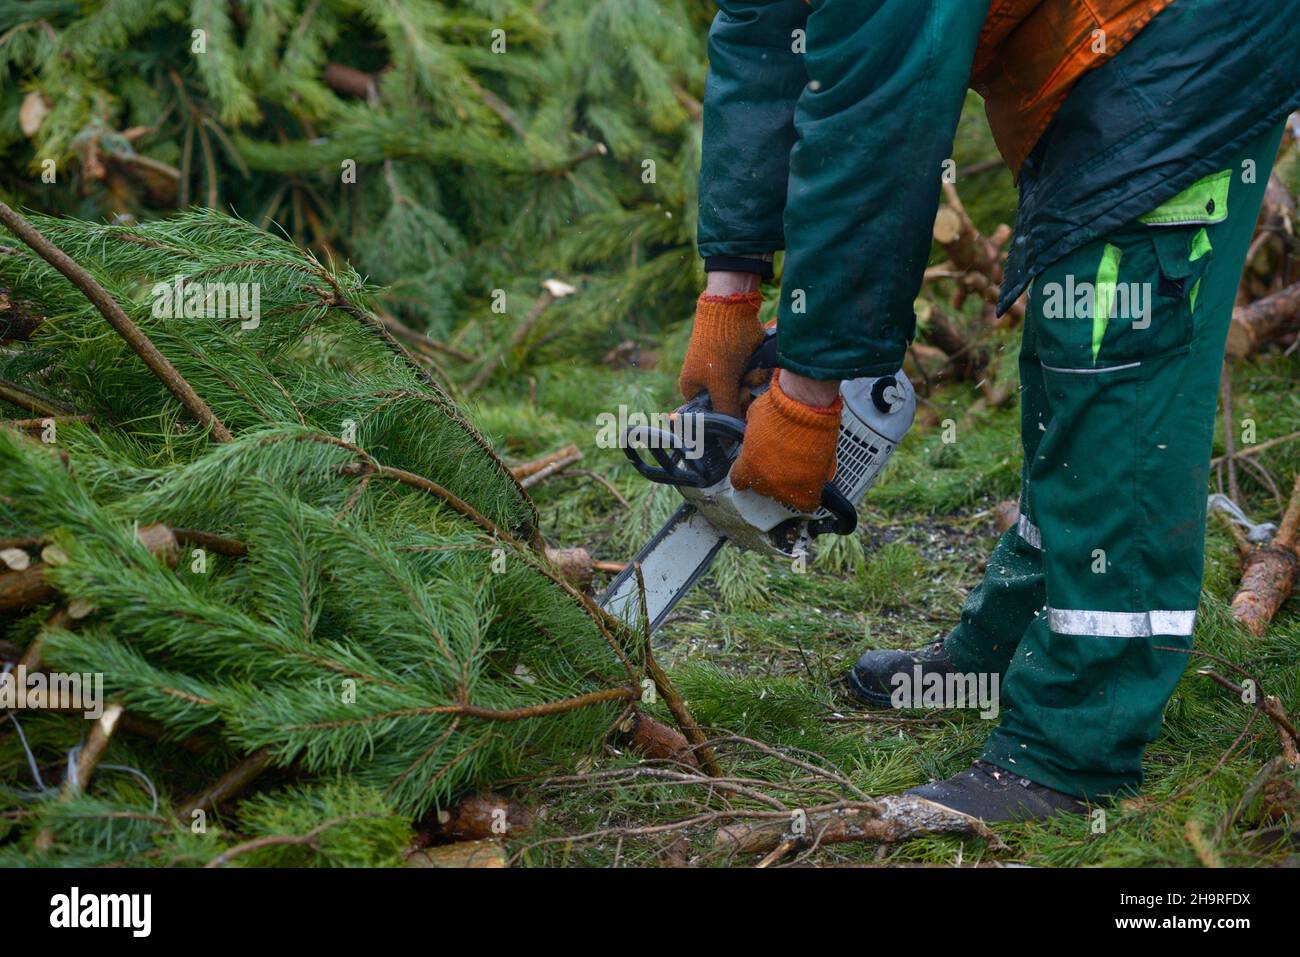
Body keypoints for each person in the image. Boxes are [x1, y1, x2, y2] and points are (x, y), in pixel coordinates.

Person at [682, 0, 1300, 821]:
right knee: (1069, 339)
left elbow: (881, 119)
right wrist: (731, 287)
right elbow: (766, 35)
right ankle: (1005, 645)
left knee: (1117, 348)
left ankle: (1070, 752)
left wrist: (806, 392)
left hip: (1185, 36)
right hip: (1086, 46)